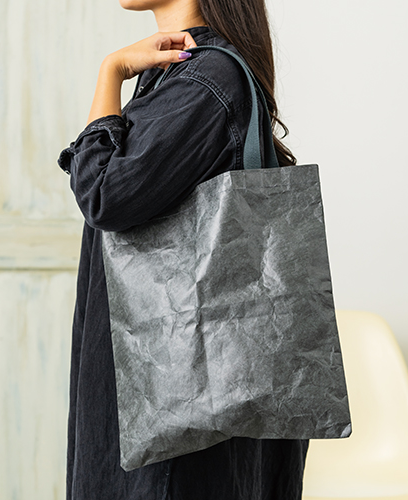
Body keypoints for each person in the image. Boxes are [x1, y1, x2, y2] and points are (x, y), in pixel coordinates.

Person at [57, 0, 309, 498]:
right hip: (177, 389)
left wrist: (110, 72)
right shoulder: (182, 74)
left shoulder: (206, 81)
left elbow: (103, 195)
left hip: (173, 397)